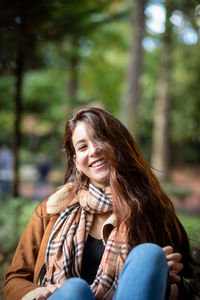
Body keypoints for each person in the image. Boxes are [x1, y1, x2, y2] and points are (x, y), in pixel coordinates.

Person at [2, 107, 197, 300]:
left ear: (118, 144)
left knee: (149, 255)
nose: (94, 150)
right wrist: (33, 292)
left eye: (100, 139)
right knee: (74, 290)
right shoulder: (53, 208)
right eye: (83, 146)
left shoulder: (152, 210)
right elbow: (15, 278)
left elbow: (187, 283)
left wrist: (168, 282)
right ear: (76, 161)